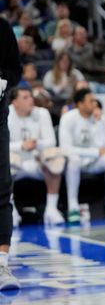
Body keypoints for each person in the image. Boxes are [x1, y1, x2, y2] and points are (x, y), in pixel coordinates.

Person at [59, 88, 105, 223]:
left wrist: (98, 124)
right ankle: (73, 207)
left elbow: (104, 147)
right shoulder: (68, 118)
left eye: (95, 100)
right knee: (74, 160)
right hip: (76, 162)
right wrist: (94, 152)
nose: (95, 103)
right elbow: (65, 149)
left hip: (94, 161)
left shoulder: (100, 118)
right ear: (80, 104)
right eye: (91, 101)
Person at [8, 87, 66, 225]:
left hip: (37, 161)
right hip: (15, 164)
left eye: (30, 96)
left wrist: (36, 144)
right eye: (25, 97)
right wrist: (22, 146)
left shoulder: (42, 113)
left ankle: (51, 209)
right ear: (15, 102)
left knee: (55, 158)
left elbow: (51, 141)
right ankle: (10, 210)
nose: (31, 100)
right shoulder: (5, 114)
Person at [0, 16, 22, 290]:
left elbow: (15, 68)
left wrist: (3, 80)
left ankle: (2, 264)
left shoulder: (2, 28)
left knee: (2, 185)